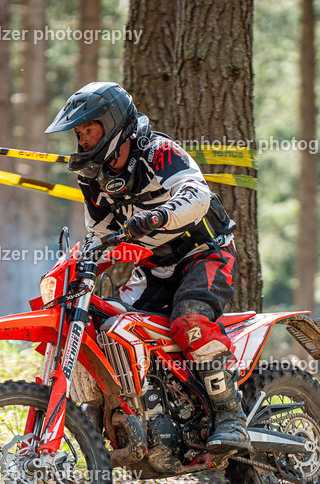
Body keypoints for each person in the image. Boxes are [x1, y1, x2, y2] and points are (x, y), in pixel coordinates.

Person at [45, 81, 249, 459]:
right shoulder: (93, 176)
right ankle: (113, 408)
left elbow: (198, 195)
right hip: (155, 266)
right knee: (105, 322)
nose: (83, 139)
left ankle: (230, 414)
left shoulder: (159, 152)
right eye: (79, 133)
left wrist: (160, 214)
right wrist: (80, 260)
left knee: (189, 323)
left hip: (206, 253)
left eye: (89, 129)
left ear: (112, 125)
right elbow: (101, 234)